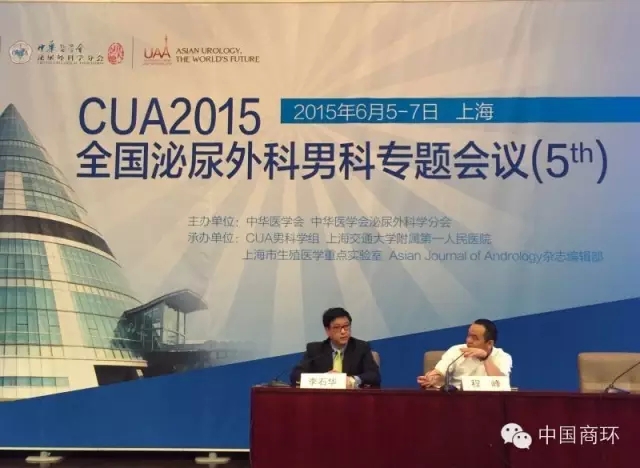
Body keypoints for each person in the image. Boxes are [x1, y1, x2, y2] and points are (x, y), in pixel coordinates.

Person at [290, 307, 381, 388]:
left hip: (352, 399)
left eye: (346, 326)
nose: (343, 331)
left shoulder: (361, 347)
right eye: (337, 327)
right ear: (327, 330)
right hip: (322, 399)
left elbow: (374, 375)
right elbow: (295, 376)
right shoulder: (315, 350)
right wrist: (325, 378)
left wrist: (352, 380)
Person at [417, 318, 512, 390]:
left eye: (475, 338)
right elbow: (440, 372)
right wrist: (432, 378)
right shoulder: (457, 351)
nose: (468, 340)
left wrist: (486, 358)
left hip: (488, 403)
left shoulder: (502, 357)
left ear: (489, 343)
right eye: (469, 335)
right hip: (457, 401)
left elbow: (501, 385)